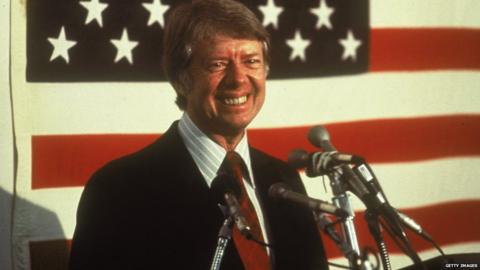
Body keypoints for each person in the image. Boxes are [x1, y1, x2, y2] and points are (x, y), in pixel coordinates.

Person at [69, 0, 329, 269]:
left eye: (251, 61)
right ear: (181, 78)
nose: (238, 79)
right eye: (218, 64)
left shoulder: (283, 181)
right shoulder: (119, 190)